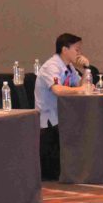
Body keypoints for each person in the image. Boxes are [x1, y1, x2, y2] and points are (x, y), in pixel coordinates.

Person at [34, 33, 92, 180]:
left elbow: (79, 84)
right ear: (65, 50)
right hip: (48, 120)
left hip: (63, 114)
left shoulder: (69, 66)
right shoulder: (52, 66)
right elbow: (57, 90)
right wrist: (80, 90)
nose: (79, 53)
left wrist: (86, 68)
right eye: (76, 49)